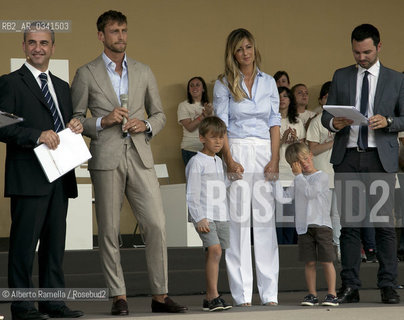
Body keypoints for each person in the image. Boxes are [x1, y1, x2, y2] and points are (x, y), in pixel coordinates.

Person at [71, 10, 187, 315]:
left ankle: (160, 296)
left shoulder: (144, 70)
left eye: (123, 30)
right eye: (113, 31)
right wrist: (103, 121)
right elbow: (76, 120)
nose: (120, 36)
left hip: (140, 155)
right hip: (106, 158)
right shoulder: (86, 73)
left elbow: (160, 114)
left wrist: (146, 125)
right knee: (109, 231)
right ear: (101, 36)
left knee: (157, 225)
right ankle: (117, 295)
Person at [0, 24, 84, 320]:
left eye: (44, 43)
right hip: (28, 177)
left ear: (52, 47)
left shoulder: (62, 86)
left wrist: (75, 126)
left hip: (60, 177)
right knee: (23, 247)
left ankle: (53, 303)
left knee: (53, 246)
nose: (38, 48)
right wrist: (37, 135)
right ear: (23, 46)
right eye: (32, 42)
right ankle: (22, 306)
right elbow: (2, 126)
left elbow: (63, 125)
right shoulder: (10, 82)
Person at [321, 23, 404, 304]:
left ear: (379, 47)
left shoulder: (396, 79)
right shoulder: (341, 76)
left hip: (379, 158)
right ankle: (350, 286)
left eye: (367, 51)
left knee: (383, 225)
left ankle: (389, 285)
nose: (361, 57)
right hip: (348, 156)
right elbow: (325, 116)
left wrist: (390, 122)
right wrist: (335, 122)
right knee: (350, 226)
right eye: (356, 52)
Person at [213, 28, 281, 306]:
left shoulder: (269, 82)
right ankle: (242, 295)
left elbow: (275, 122)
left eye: (249, 47)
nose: (245, 53)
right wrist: (229, 159)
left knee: (265, 223)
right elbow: (222, 124)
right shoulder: (223, 83)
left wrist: (275, 159)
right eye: (239, 49)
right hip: (237, 148)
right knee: (239, 224)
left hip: (265, 151)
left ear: (255, 49)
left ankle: (270, 293)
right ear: (232, 53)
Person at [276, 142, 338, 306]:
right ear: (292, 165)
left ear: (311, 155)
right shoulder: (298, 180)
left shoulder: (322, 176)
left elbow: (311, 193)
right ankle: (312, 294)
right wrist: (274, 180)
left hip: (322, 225)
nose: (304, 163)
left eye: (305, 158)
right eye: (298, 162)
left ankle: (332, 293)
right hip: (304, 227)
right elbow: (284, 198)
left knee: (326, 260)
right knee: (309, 262)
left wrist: (298, 177)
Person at [185, 116, 232, 312]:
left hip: (221, 214)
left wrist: (233, 179)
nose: (218, 141)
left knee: (215, 254)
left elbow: (219, 187)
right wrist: (199, 217)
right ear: (202, 138)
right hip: (205, 215)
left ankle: (208, 296)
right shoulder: (197, 162)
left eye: (221, 138)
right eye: (214, 137)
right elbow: (192, 192)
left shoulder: (219, 161)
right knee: (215, 251)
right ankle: (214, 295)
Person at [306, 81, 341, 260]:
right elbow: (312, 149)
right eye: (327, 97)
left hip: (339, 174)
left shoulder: (345, 119)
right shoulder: (317, 121)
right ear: (321, 100)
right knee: (322, 215)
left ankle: (338, 248)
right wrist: (333, 142)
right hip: (321, 175)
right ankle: (324, 250)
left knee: (338, 215)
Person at [277, 86, 305, 244]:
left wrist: (294, 140)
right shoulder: (271, 119)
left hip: (293, 172)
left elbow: (303, 149)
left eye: (286, 96)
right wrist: (282, 139)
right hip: (278, 172)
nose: (282, 99)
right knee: (279, 214)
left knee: (292, 214)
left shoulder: (297, 121)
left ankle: (290, 247)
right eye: (279, 96)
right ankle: (280, 246)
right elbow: (267, 147)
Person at [178, 76, 213, 165]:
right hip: (190, 149)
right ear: (189, 90)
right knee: (193, 178)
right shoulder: (183, 105)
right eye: (191, 86)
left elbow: (214, 128)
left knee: (210, 179)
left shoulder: (210, 106)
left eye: (198, 85)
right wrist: (204, 115)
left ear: (203, 89)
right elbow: (190, 127)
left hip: (209, 149)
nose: (194, 88)